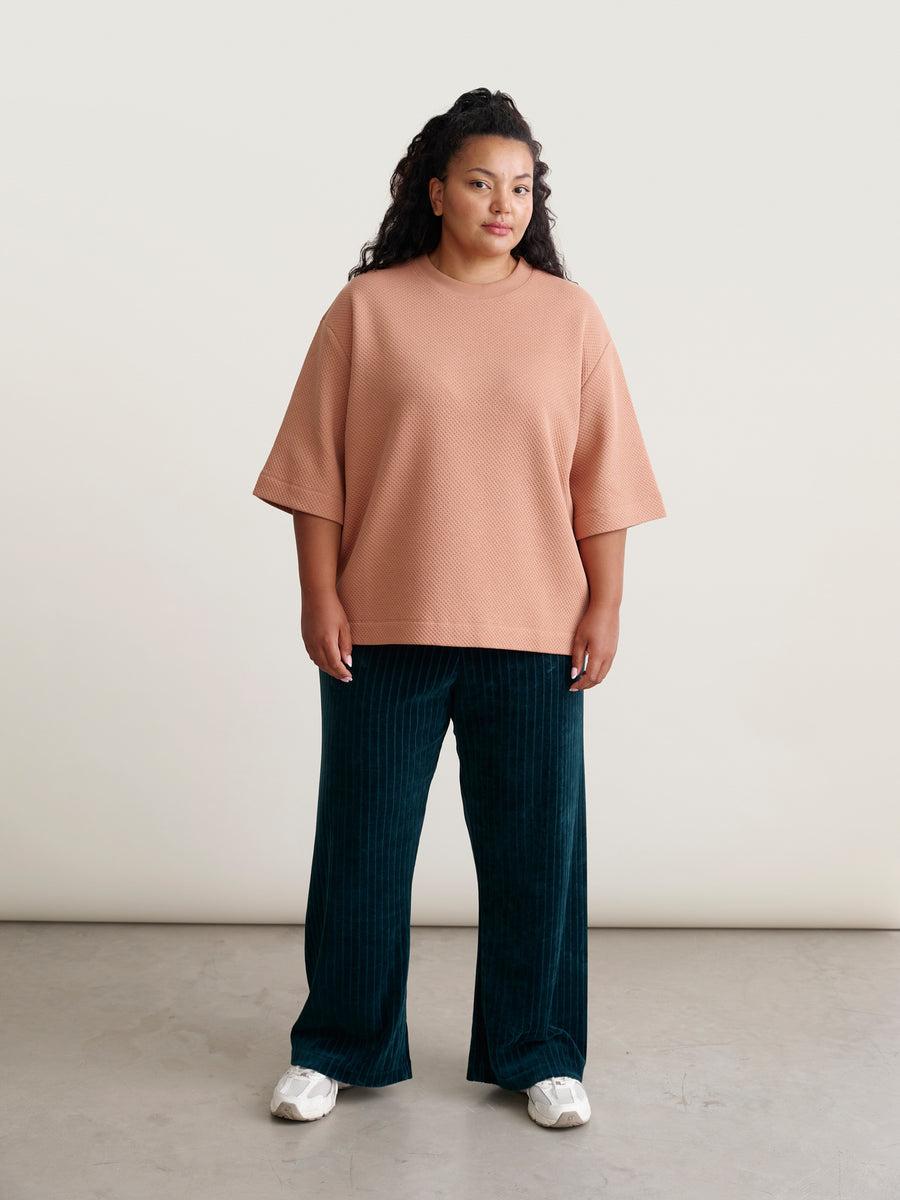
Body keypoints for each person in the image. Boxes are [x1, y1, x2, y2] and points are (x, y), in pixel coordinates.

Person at [253, 87, 665, 1129]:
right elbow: (315, 471)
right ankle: (336, 1046)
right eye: (481, 182)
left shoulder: (570, 317)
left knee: (537, 857)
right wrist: (318, 593)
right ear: (435, 191)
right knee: (363, 847)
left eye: (521, 186)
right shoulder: (368, 310)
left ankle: (541, 1052)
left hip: (534, 630)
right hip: (383, 626)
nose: (503, 203)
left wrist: (607, 605)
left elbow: (604, 478)